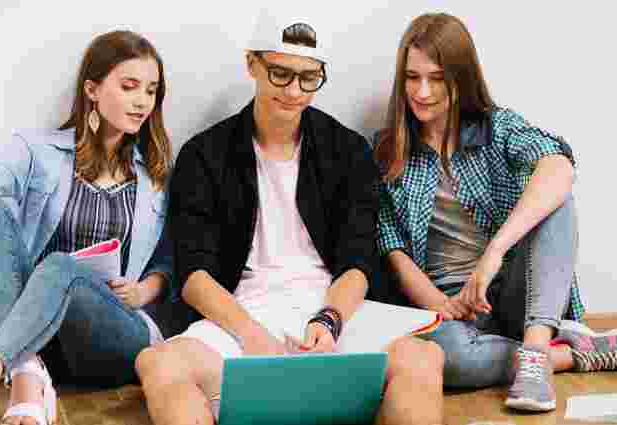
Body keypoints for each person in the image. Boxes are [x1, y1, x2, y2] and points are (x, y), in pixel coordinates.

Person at [134, 11, 445, 425]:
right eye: (280, 74)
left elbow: (358, 261)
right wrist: (252, 335)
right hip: (240, 318)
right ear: (252, 64)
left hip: (335, 314)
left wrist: (329, 320)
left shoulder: (347, 150)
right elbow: (194, 275)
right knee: (158, 364)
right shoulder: (204, 154)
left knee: (423, 358)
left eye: (308, 78)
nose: (294, 91)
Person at [375, 12, 617, 412]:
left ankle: (536, 351)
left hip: (514, 290)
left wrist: (493, 254)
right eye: (412, 77)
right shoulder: (388, 150)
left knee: (556, 196)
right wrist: (440, 304)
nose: (422, 91)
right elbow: (391, 245)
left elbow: (559, 166)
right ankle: (568, 354)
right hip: (450, 310)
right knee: (443, 359)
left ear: (461, 78)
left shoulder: (497, 128)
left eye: (437, 78)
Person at [0, 30, 174, 425]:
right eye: (129, 86)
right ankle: (29, 380)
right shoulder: (41, 151)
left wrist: (145, 289)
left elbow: (172, 257)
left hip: (118, 336)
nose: (142, 101)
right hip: (44, 335)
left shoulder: (158, 175)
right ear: (92, 90)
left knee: (61, 265)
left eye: (151, 90)